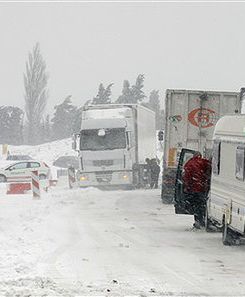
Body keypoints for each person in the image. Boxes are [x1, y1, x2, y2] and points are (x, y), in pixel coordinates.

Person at [182, 152, 211, 229]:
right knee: (202, 205)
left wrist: (187, 187)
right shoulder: (204, 162)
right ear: (200, 156)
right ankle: (203, 221)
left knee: (196, 206)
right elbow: (210, 168)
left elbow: (186, 177)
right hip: (202, 188)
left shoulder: (189, 163)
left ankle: (198, 221)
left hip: (194, 189)